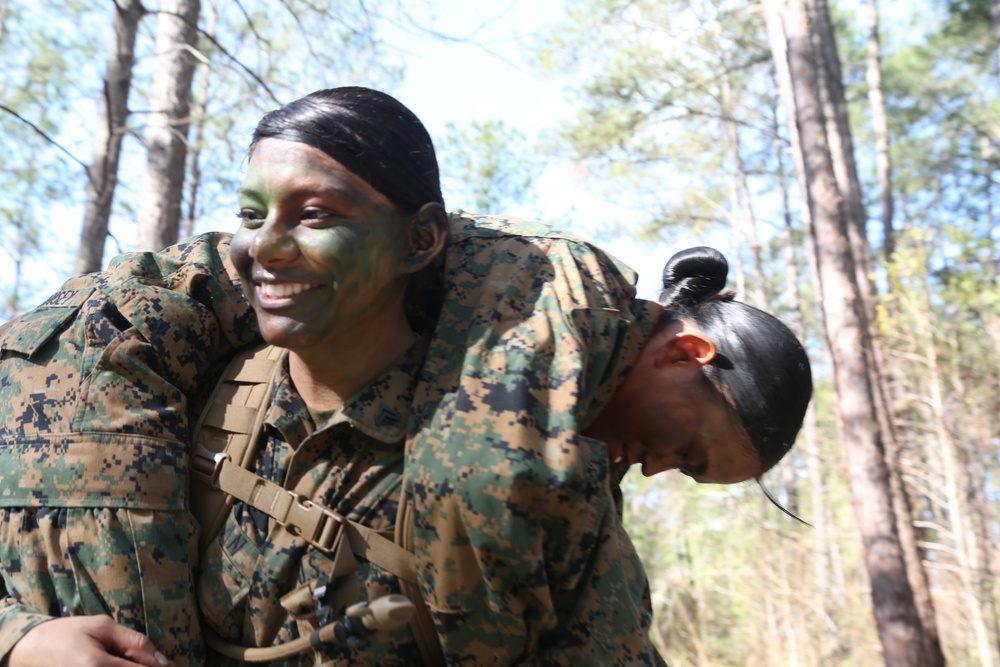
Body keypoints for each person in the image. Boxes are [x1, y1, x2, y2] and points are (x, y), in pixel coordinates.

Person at [0, 86, 811, 667]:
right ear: (688, 353)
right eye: (692, 452)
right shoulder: (198, 378)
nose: (659, 466)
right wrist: (24, 635)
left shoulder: (564, 521)